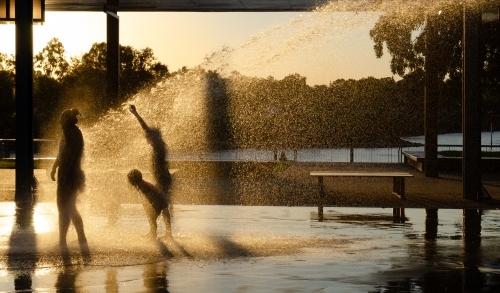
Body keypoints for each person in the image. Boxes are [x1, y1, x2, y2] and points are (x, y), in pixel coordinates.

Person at [128, 104, 172, 238]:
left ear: (154, 137)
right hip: (162, 178)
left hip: (163, 179)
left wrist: (136, 114)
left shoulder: (159, 146)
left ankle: (161, 233)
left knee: (159, 206)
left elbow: (146, 129)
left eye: (149, 137)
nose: (146, 138)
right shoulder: (158, 146)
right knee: (158, 206)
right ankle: (159, 232)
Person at [50, 108, 89, 257]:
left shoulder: (74, 133)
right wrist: (54, 168)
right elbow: (61, 154)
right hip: (65, 175)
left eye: (61, 118)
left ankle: (64, 242)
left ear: (67, 120)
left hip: (71, 175)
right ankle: (79, 239)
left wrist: (66, 175)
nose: (59, 121)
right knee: (68, 208)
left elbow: (72, 156)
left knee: (66, 208)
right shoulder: (66, 133)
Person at [127, 169, 171, 239]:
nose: (128, 181)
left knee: (152, 219)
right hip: (155, 202)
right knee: (151, 219)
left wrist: (164, 201)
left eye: (129, 180)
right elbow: (145, 197)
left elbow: (156, 190)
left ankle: (154, 234)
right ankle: (153, 232)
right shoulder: (139, 185)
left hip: (157, 202)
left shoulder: (143, 184)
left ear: (133, 180)